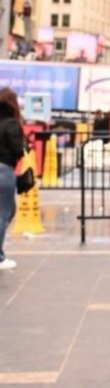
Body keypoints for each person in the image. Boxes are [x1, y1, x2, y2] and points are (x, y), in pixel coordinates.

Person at [0, 88, 27, 271]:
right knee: (4, 213)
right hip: (3, 170)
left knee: (9, 211)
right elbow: (18, 150)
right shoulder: (11, 124)